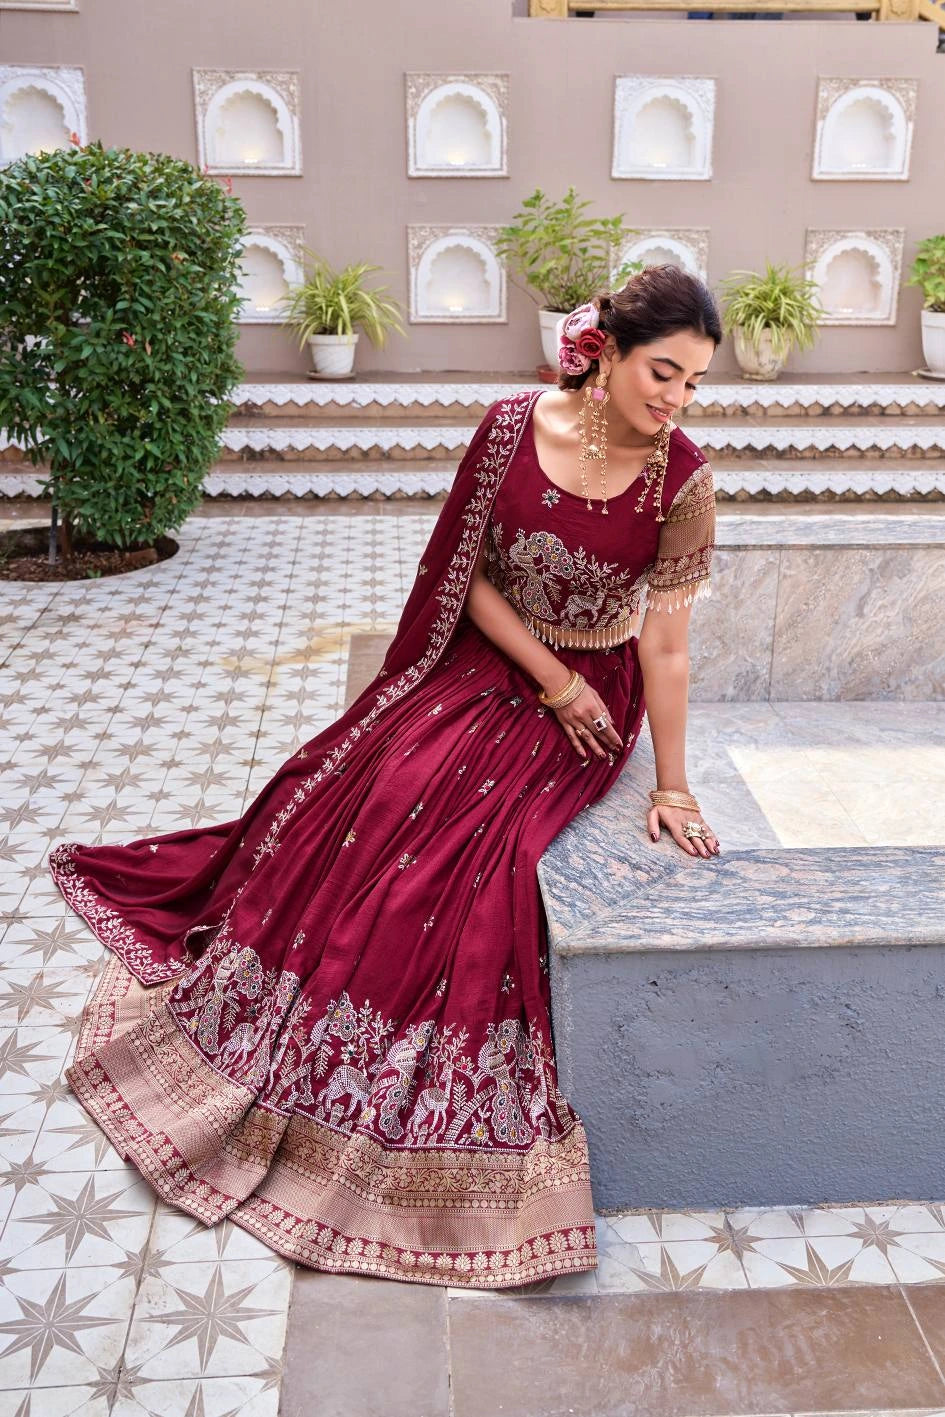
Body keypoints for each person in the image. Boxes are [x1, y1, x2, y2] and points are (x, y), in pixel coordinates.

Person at [48, 263, 722, 1290]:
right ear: (610, 352)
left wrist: (670, 782)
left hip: (594, 696)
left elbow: (666, 649)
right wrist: (545, 678)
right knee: (375, 775)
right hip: (502, 663)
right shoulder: (509, 429)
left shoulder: (683, 479)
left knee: (478, 851)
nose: (673, 400)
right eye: (662, 372)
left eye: (693, 384)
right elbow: (474, 578)